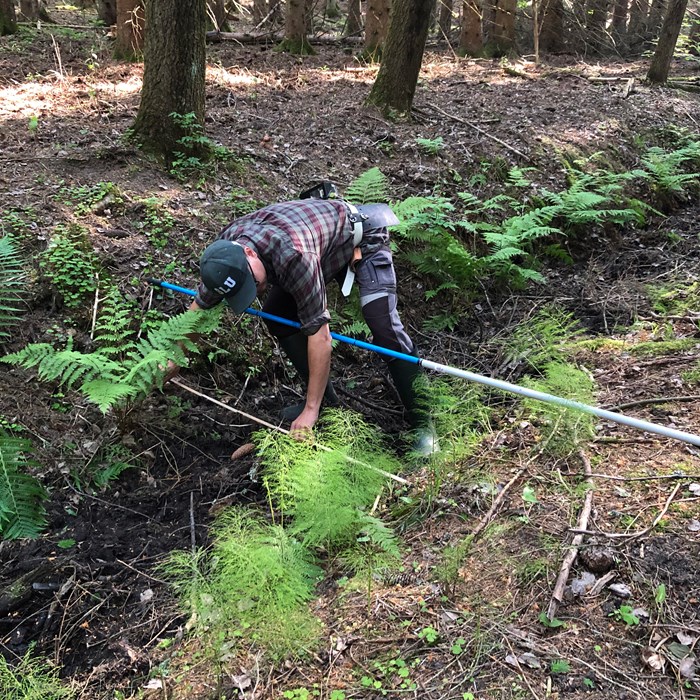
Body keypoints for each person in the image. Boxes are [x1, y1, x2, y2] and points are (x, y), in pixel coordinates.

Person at [176, 194, 438, 456]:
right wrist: (173, 358)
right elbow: (200, 308)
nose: (253, 291)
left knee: (384, 327)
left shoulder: (293, 255)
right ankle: (327, 407)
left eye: (252, 283)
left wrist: (308, 412)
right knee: (275, 313)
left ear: (248, 252)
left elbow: (320, 336)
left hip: (363, 238)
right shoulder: (223, 258)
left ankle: (424, 425)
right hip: (320, 246)